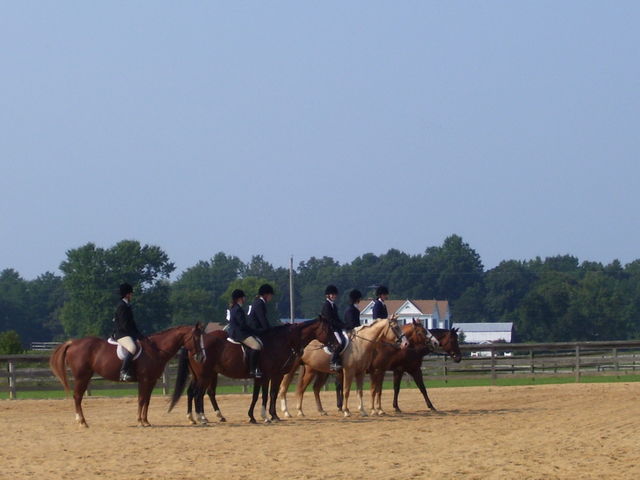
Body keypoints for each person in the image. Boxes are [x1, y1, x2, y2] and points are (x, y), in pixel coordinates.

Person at [227, 289, 262, 378]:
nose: (245, 299)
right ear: (240, 298)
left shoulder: (234, 308)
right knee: (256, 346)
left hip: (235, 332)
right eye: (243, 297)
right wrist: (253, 331)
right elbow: (242, 325)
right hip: (239, 334)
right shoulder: (238, 309)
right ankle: (253, 370)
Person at [112, 283, 143, 382]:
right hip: (121, 334)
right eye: (131, 294)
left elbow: (132, 323)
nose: (132, 296)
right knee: (132, 347)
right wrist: (134, 335)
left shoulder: (127, 305)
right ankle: (123, 372)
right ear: (127, 294)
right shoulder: (122, 306)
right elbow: (125, 325)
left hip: (126, 333)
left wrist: (139, 335)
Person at [321, 285, 346, 371]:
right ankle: (333, 362)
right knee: (339, 342)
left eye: (335, 294)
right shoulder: (326, 305)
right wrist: (340, 325)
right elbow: (330, 320)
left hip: (335, 328)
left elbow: (337, 318)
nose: (334, 296)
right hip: (329, 328)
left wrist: (344, 325)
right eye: (332, 294)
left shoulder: (334, 305)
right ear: (328, 295)